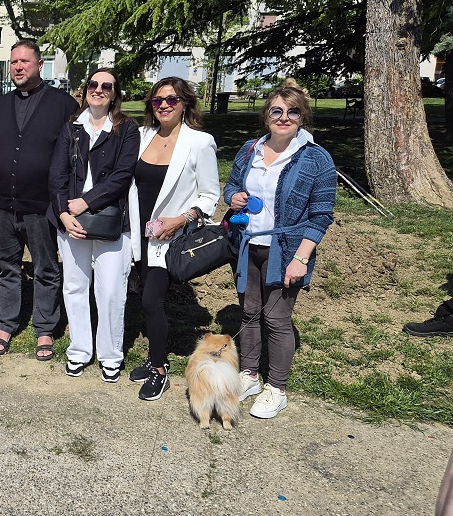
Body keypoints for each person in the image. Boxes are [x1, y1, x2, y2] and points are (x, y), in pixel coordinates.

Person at [224, 86, 336, 418]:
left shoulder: (315, 158)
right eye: (277, 111)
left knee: (276, 318)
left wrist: (301, 258)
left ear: (303, 117)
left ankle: (277, 388)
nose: (284, 118)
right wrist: (233, 197)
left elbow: (321, 215)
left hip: (286, 250)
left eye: (293, 111)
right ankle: (249, 375)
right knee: (249, 313)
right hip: (248, 245)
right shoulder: (250, 149)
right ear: (266, 116)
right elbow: (231, 185)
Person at [0, 39, 79, 359]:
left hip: (43, 206)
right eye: (13, 62)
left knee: (46, 268)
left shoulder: (63, 105)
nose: (18, 67)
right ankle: (7, 322)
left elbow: (75, 155)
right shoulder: (0, 105)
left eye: (24, 61)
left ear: (40, 65)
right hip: (3, 205)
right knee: (7, 266)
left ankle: (45, 327)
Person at [127, 77, 221, 400]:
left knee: (152, 300)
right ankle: (154, 355)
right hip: (138, 234)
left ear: (185, 104)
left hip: (170, 238)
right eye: (157, 100)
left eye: (172, 99)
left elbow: (210, 196)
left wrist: (182, 219)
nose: (164, 105)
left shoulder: (200, 142)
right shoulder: (142, 136)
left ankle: (159, 370)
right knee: (145, 296)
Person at [48, 68, 139, 381]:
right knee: (75, 286)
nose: (98, 89)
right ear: (85, 89)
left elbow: (123, 175)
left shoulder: (126, 129)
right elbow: (57, 174)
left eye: (106, 86)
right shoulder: (72, 127)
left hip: (111, 220)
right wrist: (63, 214)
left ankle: (110, 355)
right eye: (93, 84)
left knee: (111, 290)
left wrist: (86, 202)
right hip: (71, 221)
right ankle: (79, 350)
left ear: (114, 94)